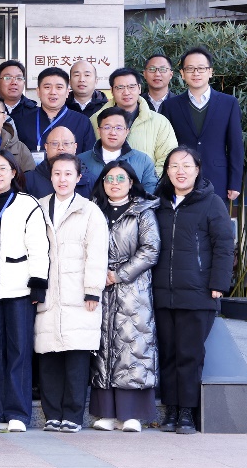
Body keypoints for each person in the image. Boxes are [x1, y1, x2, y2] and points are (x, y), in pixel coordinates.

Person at [153, 147, 235, 434]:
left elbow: (224, 245)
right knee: (167, 353)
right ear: (167, 171)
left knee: (189, 354)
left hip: (198, 293)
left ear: (197, 170)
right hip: (162, 292)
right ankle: (171, 409)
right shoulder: (158, 203)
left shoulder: (212, 202)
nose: (180, 171)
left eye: (186, 165)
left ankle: (187, 412)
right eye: (174, 165)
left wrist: (218, 284)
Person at [0, 152, 48, 433]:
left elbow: (39, 246)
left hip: (19, 289)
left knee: (19, 351)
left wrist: (38, 283)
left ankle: (18, 413)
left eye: (3, 169)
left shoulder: (28, 204)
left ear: (14, 172)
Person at [35, 153, 108, 433]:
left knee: (76, 358)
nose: (62, 179)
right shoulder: (39, 207)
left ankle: (73, 416)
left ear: (78, 178)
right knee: (49, 357)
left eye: (68, 174)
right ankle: (52, 414)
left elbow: (97, 253)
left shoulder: (89, 211)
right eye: (57, 173)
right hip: (48, 295)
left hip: (79, 295)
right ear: (50, 177)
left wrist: (92, 290)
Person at [88, 161, 160, 432]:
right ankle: (106, 412)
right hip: (99, 286)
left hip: (133, 289)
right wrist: (99, 273)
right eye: (109, 178)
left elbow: (150, 250)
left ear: (131, 183)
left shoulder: (143, 211)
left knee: (132, 346)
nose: (114, 183)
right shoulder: (93, 209)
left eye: (121, 178)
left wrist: (119, 274)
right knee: (103, 348)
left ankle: (131, 414)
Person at [161, 47, 243, 202]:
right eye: (190, 69)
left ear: (210, 72)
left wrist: (235, 183)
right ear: (182, 73)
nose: (196, 73)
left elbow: (236, 146)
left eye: (201, 68)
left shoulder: (229, 103)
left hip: (218, 179)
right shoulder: (170, 106)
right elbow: (165, 147)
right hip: (181, 180)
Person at [90, 68, 175, 179]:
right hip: (105, 184)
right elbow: (89, 157)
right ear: (112, 90)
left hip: (146, 186)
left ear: (139, 88)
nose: (126, 92)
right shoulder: (95, 119)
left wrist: (150, 181)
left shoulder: (159, 122)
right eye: (120, 87)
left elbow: (167, 157)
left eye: (131, 87)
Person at [12, 67, 97, 160]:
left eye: (59, 87)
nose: (53, 92)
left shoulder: (82, 122)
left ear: (67, 92)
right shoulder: (23, 122)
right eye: (47, 87)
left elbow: (89, 159)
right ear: (38, 92)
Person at [78, 107, 158, 195]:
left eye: (119, 128)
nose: (113, 132)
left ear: (127, 131)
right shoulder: (81, 160)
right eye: (107, 127)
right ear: (99, 131)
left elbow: (150, 195)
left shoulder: (143, 161)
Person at [24, 125, 95, 199]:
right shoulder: (29, 180)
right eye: (55, 144)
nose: (60, 148)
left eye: (66, 143)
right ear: (46, 147)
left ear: (75, 147)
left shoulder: (91, 181)